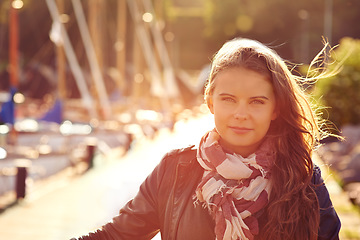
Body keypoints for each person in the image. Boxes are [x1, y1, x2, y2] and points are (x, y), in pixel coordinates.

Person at [72, 38, 341, 240]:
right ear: (210, 102)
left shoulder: (303, 178)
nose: (240, 114)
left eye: (257, 102)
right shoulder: (175, 169)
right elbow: (116, 235)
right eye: (228, 99)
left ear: (276, 109)